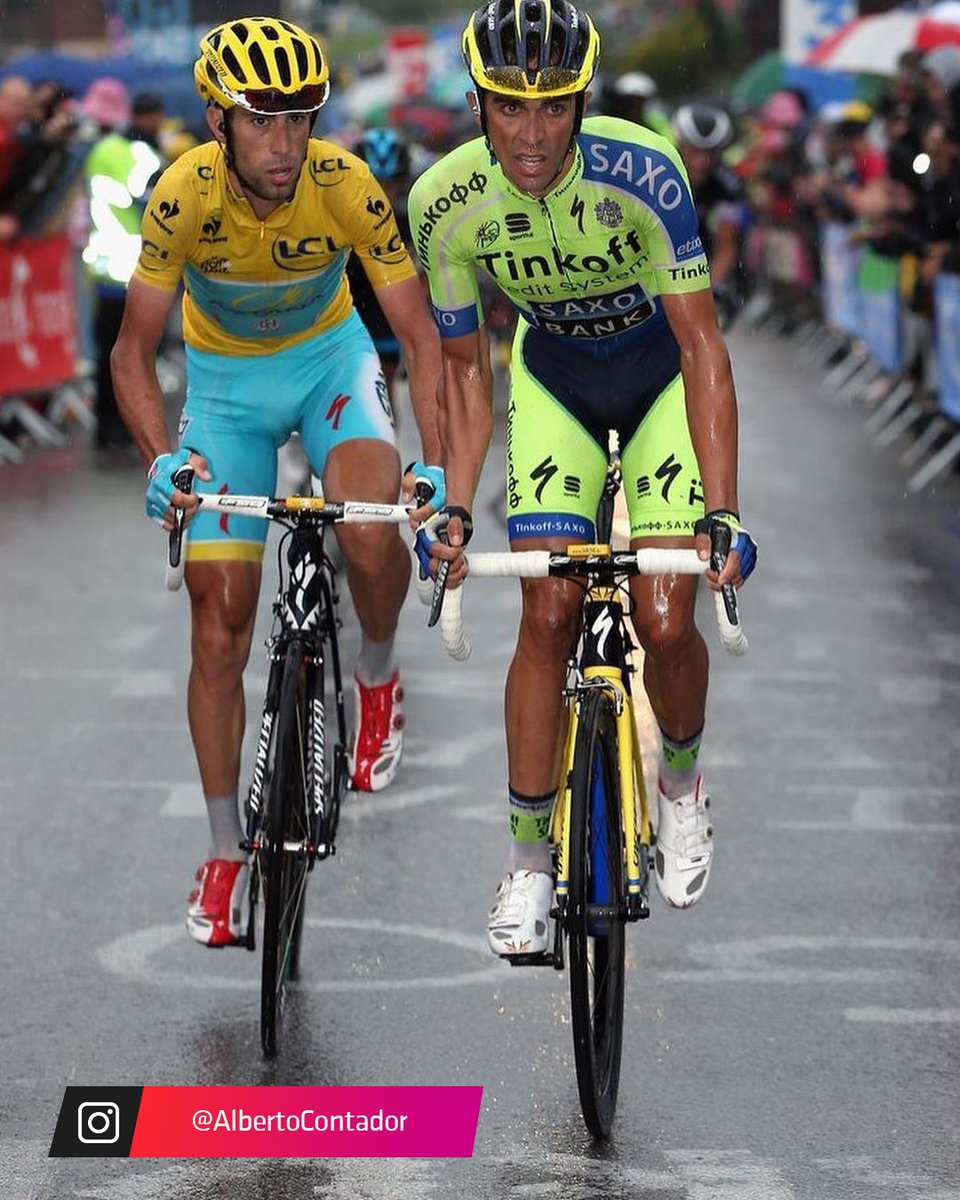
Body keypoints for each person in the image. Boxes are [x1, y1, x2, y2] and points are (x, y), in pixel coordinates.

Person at [408, 0, 757, 958]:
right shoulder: (443, 202)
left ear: (582, 102)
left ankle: (681, 786)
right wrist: (447, 504)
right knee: (546, 614)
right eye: (509, 108)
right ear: (477, 105)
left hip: (656, 386)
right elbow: (465, 373)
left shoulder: (646, 171)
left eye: (554, 107)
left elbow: (703, 349)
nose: (530, 133)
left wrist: (721, 513)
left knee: (667, 615)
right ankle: (527, 863)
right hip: (553, 377)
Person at [111, 17, 443, 947]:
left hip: (329, 366)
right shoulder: (180, 197)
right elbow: (132, 353)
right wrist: (161, 461)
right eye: (262, 122)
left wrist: (431, 462)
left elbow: (419, 335)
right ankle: (225, 851)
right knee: (220, 623)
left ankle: (376, 675)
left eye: (300, 120)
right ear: (219, 122)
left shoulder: (343, 185)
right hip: (225, 392)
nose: (285, 144)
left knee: (372, 530)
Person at [82, 77, 164, 450]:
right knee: (134, 355)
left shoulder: (100, 149)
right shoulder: (137, 153)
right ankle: (124, 429)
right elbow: (153, 199)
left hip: (104, 265)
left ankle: (106, 426)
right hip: (133, 269)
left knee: (107, 352)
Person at [671, 101, 749, 324]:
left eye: (709, 153)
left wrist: (710, 290)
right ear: (680, 144)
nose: (700, 162)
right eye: (694, 151)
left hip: (699, 254)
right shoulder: (658, 169)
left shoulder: (727, 182)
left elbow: (727, 242)